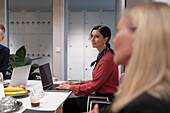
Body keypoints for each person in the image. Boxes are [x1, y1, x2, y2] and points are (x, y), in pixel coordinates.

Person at [89, 2, 170, 113]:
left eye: (119, 31)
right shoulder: (137, 92)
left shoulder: (148, 105)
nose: (114, 40)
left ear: (138, 35)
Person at [57, 25, 119, 113]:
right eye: (91, 36)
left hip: (105, 100)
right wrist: (74, 83)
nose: (92, 40)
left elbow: (94, 85)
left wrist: (70, 87)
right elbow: (95, 81)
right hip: (101, 95)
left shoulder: (107, 59)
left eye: (96, 36)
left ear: (106, 39)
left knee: (69, 104)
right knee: (71, 101)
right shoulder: (103, 55)